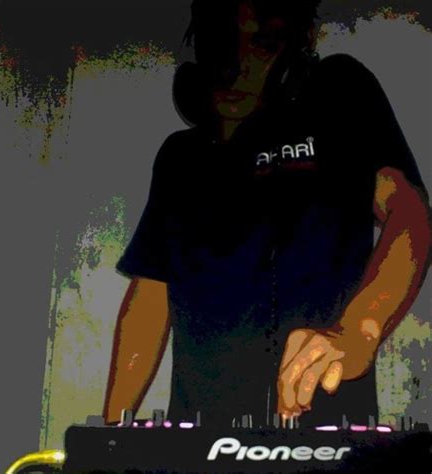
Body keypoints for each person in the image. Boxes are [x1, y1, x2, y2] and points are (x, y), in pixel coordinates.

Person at [103, 0, 431, 429]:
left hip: (321, 434)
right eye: (222, 46)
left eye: (261, 43)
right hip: (199, 441)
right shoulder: (179, 157)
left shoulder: (339, 91)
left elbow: (407, 212)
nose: (235, 68)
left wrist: (358, 330)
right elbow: (150, 294)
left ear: (299, 42)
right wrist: (109, 436)